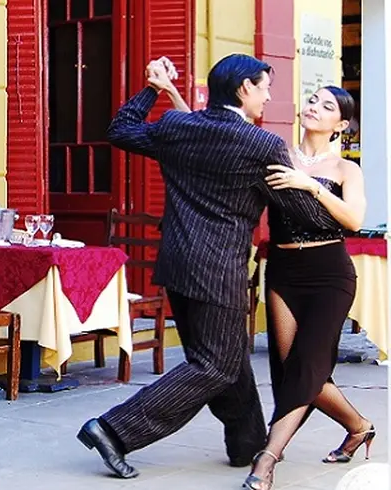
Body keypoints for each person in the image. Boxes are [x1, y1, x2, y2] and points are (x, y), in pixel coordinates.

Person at [75, 53, 341, 479]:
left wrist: (153, 89)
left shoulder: (178, 127)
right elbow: (299, 210)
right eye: (264, 86)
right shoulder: (262, 145)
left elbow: (120, 130)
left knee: (227, 356)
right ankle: (113, 431)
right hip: (220, 269)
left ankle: (249, 442)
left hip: (178, 263)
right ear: (243, 89)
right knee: (214, 364)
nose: (269, 96)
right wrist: (323, 194)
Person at [240, 86, 373, 489]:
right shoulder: (277, 155)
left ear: (342, 124)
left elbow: (353, 220)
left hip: (329, 273)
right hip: (281, 270)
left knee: (307, 367)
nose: (315, 107)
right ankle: (359, 426)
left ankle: (266, 460)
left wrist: (311, 185)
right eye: (312, 100)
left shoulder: (346, 170)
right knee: (293, 371)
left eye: (327, 106)